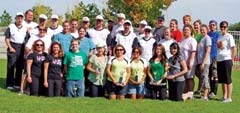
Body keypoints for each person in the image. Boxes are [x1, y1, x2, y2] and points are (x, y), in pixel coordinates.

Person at [5, 12, 28, 90]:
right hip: (13, 46)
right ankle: (9, 84)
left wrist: (25, 51)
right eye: (18, 18)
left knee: (19, 66)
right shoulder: (11, 27)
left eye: (21, 18)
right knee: (11, 66)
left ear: (23, 19)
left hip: (21, 47)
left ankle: (17, 84)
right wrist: (10, 47)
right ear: (15, 18)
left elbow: (26, 40)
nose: (20, 19)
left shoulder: (25, 28)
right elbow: (7, 38)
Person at [217, 21, 236, 102]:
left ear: (227, 27)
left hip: (227, 59)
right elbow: (219, 47)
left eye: (224, 26)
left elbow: (234, 48)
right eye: (221, 26)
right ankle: (224, 96)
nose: (223, 28)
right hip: (219, 59)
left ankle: (229, 97)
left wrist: (232, 59)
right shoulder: (220, 36)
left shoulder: (229, 36)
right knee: (222, 80)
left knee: (228, 79)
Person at [180, 25, 197, 99]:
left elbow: (193, 51)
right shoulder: (182, 39)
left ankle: (190, 93)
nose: (186, 31)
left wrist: (190, 61)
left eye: (187, 30)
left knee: (190, 78)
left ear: (191, 31)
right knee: (185, 78)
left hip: (190, 62)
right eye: (185, 30)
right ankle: (185, 92)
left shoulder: (192, 40)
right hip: (183, 63)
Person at [196, 24, 211, 100]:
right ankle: (204, 94)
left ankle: (205, 96)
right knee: (202, 77)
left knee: (205, 77)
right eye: (201, 30)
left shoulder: (207, 38)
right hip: (200, 61)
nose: (202, 31)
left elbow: (208, 51)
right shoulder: (201, 38)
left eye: (203, 30)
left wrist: (203, 63)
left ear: (207, 30)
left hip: (205, 62)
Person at [208, 20, 220, 98]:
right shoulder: (208, 34)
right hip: (208, 57)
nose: (212, 26)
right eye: (211, 25)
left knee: (215, 74)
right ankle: (210, 90)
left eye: (213, 25)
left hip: (215, 56)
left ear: (216, 26)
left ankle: (214, 91)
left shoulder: (218, 34)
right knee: (209, 75)